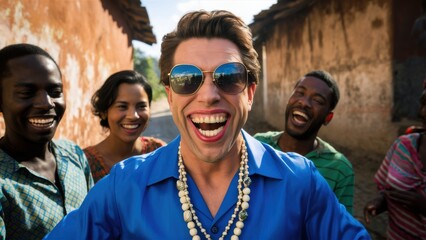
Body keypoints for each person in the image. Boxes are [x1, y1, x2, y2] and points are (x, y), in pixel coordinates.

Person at [44, 10, 370, 239]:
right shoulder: (124, 187)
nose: (209, 95)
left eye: (229, 77)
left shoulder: (301, 183)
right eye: (188, 79)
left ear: (250, 92)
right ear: (170, 96)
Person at [0, 43, 93, 239]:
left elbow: (96, 222)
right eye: (27, 93)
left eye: (55, 91)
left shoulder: (74, 154)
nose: (46, 103)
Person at [254, 70, 354, 214]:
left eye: (318, 101)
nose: (304, 102)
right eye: (299, 93)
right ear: (289, 99)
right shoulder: (259, 145)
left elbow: (339, 230)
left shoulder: (340, 169)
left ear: (328, 118)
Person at [363, 81, 426, 239]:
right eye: (424, 103)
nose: (424, 111)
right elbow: (388, 189)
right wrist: (381, 202)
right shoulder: (403, 146)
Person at [83, 70, 166, 182]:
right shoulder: (85, 164)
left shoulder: (159, 152)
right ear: (104, 112)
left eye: (141, 106)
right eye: (122, 106)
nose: (133, 116)